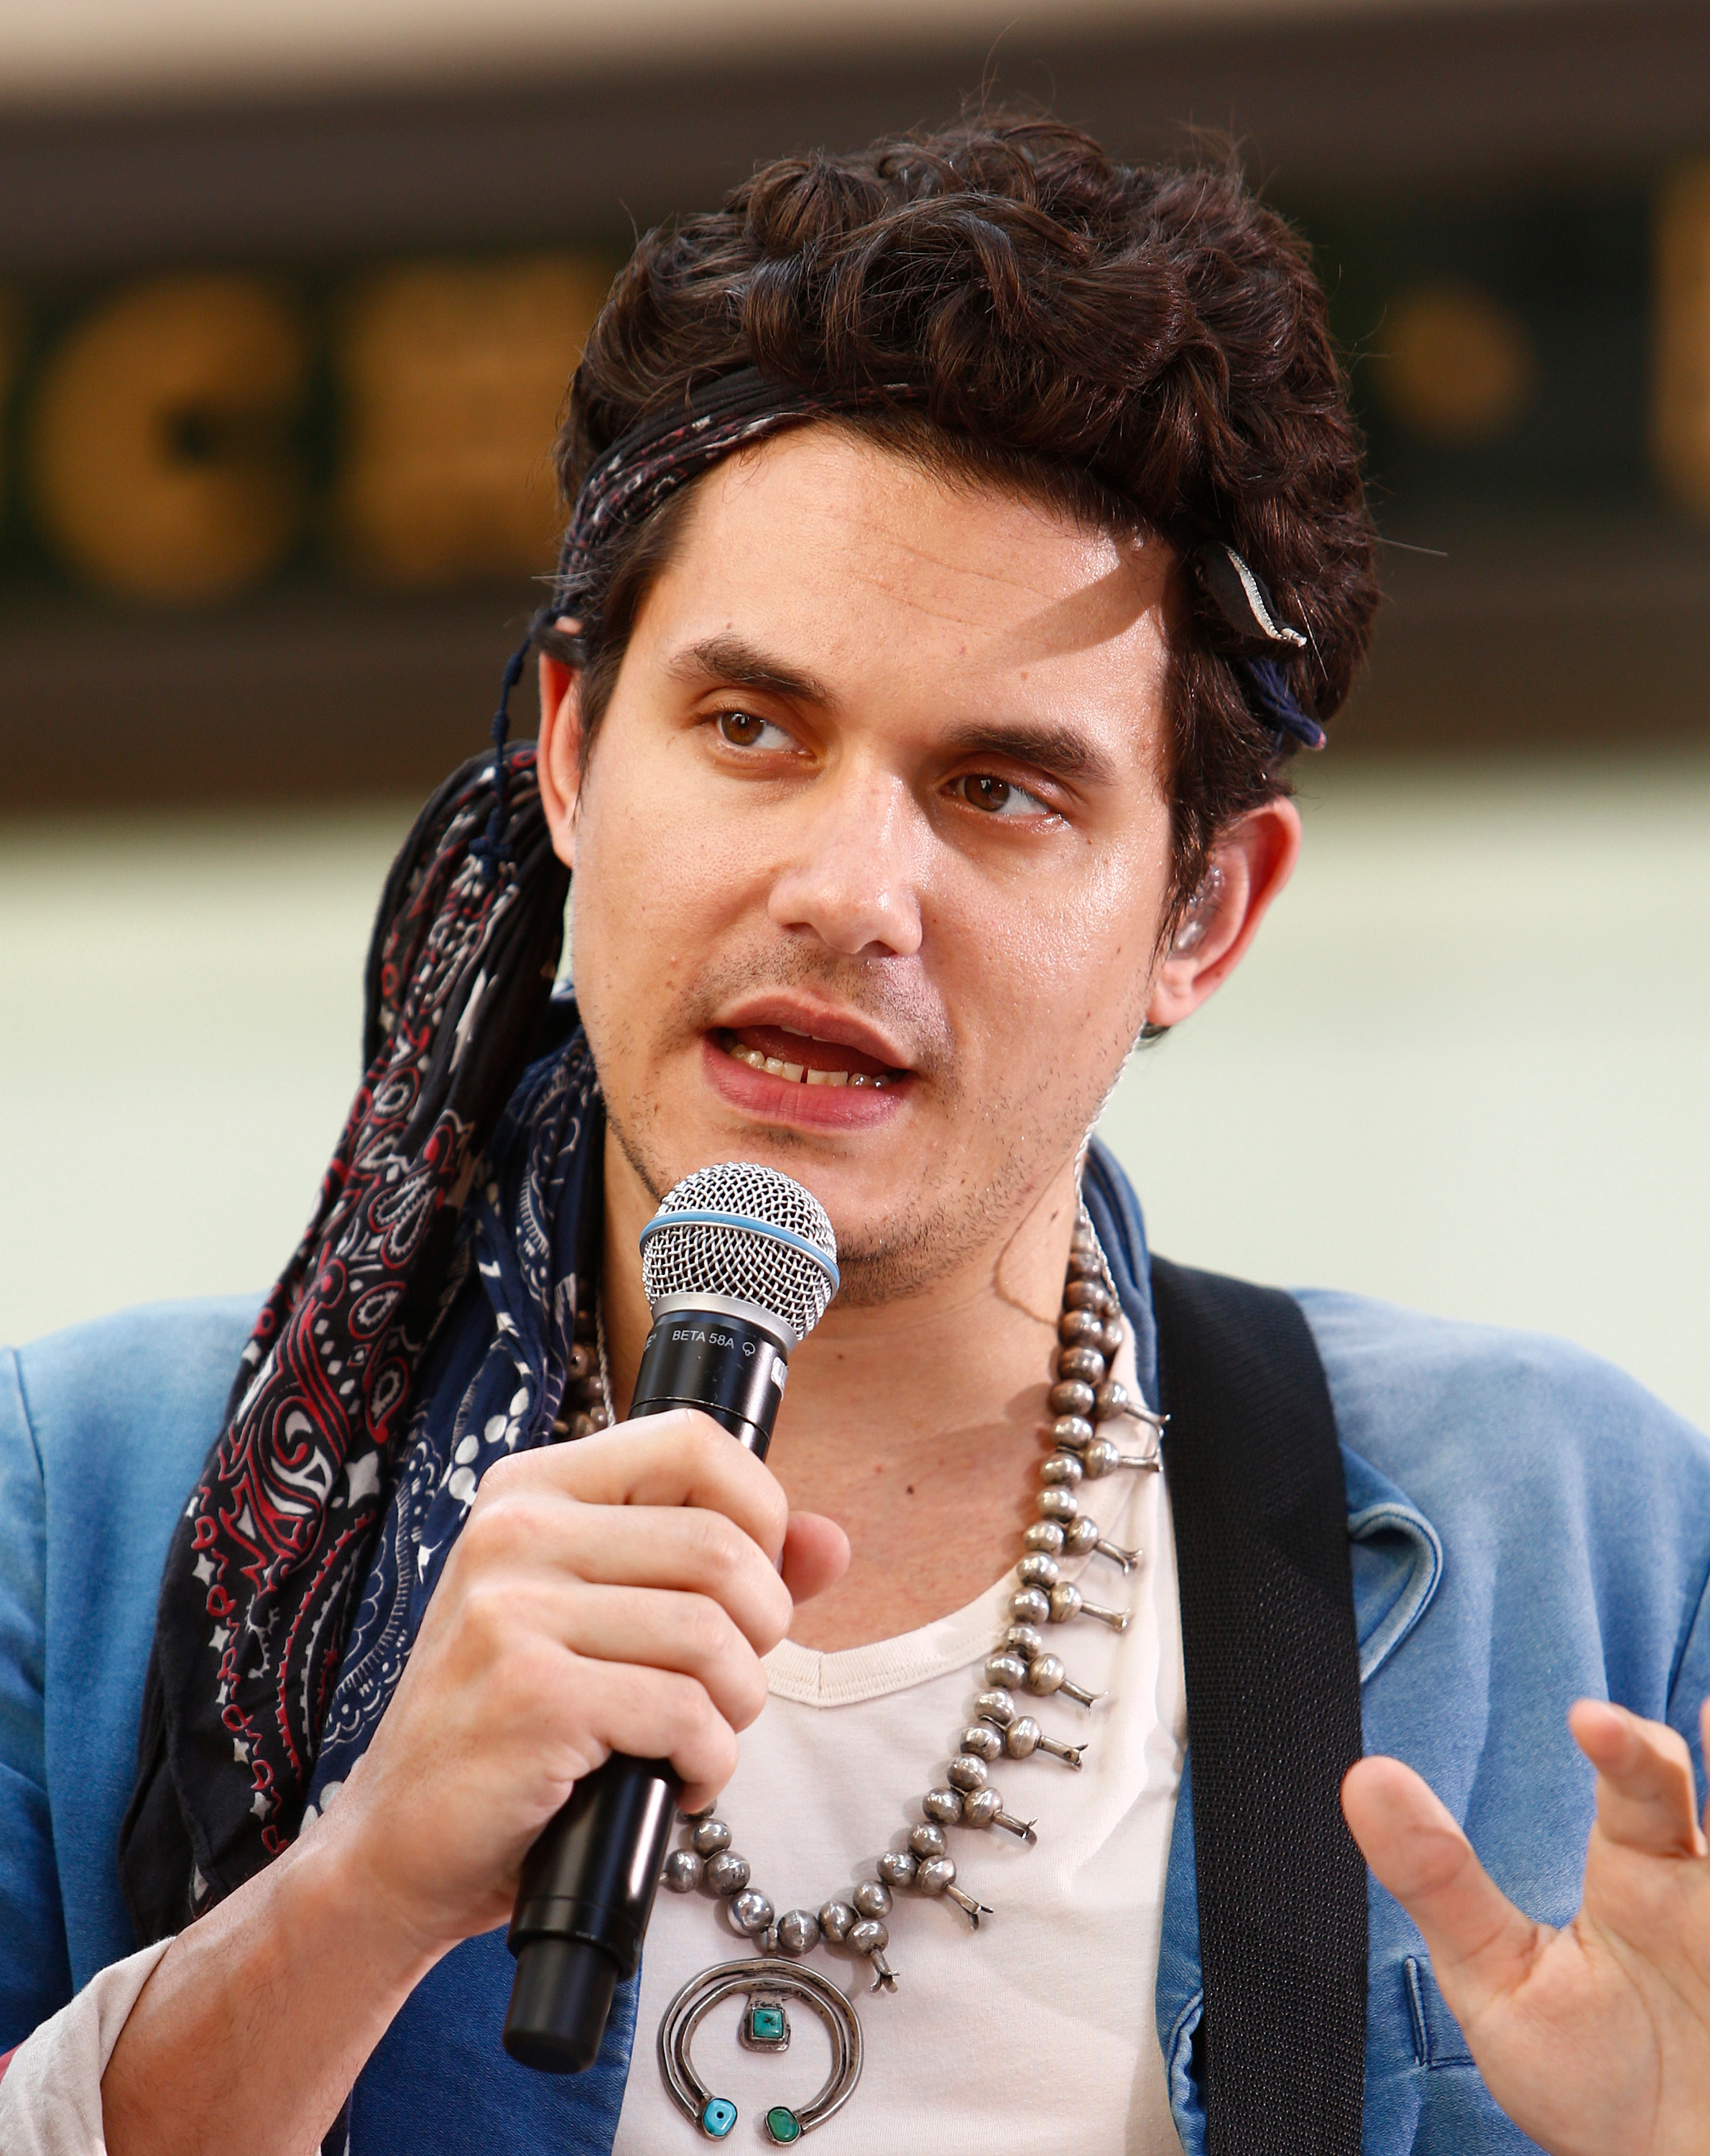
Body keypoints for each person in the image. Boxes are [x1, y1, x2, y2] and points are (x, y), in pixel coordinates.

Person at [1, 115, 1707, 2156]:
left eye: (998, 789)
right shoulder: (92, 1509)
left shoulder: (1568, 1535)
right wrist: (352, 1898)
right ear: (566, 754)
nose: (845, 890)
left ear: (1201, 915)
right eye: (749, 729)